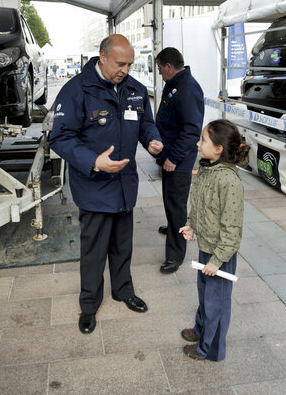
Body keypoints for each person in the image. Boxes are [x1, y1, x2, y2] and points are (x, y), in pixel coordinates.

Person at [49, 34, 163, 334]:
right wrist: (93, 161)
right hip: (94, 186)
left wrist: (152, 139)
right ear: (102, 56)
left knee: (123, 245)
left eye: (130, 64)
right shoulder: (77, 90)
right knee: (94, 250)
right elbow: (59, 138)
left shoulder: (135, 90)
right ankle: (88, 305)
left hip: (124, 184)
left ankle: (123, 290)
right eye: (119, 63)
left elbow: (146, 123)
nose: (125, 70)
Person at [179, 119, 250, 361]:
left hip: (220, 256)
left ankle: (210, 349)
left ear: (218, 149)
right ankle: (201, 330)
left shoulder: (229, 181)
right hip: (206, 248)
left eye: (203, 140)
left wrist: (217, 260)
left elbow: (232, 230)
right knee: (205, 296)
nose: (198, 144)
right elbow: (199, 202)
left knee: (216, 303)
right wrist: (191, 225)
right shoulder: (206, 169)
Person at [155, 47, 204, 274]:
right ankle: (175, 227)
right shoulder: (175, 83)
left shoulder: (187, 88)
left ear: (168, 66)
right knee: (170, 201)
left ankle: (176, 254)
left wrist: (173, 158)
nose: (159, 73)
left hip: (179, 160)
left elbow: (192, 130)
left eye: (159, 69)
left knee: (177, 207)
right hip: (169, 157)